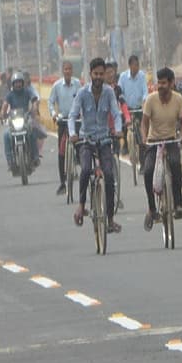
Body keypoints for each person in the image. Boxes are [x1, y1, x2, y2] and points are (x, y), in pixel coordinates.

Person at [70, 57, 122, 232]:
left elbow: (116, 113)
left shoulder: (109, 93)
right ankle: (81, 205)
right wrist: (73, 134)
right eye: (96, 74)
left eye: (101, 74)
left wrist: (119, 129)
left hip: (105, 140)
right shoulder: (82, 93)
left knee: (109, 175)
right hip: (86, 141)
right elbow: (72, 115)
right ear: (90, 74)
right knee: (85, 170)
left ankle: (110, 219)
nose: (99, 77)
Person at [139, 67, 182, 231]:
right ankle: (152, 208)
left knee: (175, 165)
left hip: (171, 140)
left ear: (171, 83)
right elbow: (144, 123)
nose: (160, 86)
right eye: (158, 83)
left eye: (164, 83)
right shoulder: (151, 100)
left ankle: (178, 203)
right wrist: (145, 138)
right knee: (147, 171)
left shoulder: (178, 99)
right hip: (154, 142)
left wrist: (181, 135)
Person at [49, 61, 83, 194]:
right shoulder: (57, 86)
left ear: (72, 70)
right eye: (65, 69)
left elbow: (82, 100)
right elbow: (51, 102)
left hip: (76, 121)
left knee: (81, 146)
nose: (68, 71)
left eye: (69, 69)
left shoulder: (78, 84)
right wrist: (53, 114)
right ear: (62, 71)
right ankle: (62, 182)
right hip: (63, 121)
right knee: (61, 151)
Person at [1, 73, 43, 173]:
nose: (18, 85)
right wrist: (3, 114)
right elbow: (5, 105)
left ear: (22, 83)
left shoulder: (27, 91)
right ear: (13, 84)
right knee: (6, 135)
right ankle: (10, 160)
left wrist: (34, 108)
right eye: (16, 83)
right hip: (13, 120)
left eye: (20, 82)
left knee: (32, 132)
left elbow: (34, 100)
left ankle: (35, 157)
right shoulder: (10, 95)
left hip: (26, 119)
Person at [120, 55, 149, 161]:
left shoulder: (141, 76)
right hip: (126, 108)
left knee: (141, 133)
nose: (136, 68)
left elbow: (145, 91)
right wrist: (122, 102)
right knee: (123, 125)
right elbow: (120, 91)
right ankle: (125, 145)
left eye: (138, 65)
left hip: (138, 108)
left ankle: (142, 160)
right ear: (130, 66)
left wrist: (145, 101)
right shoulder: (123, 77)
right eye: (134, 65)